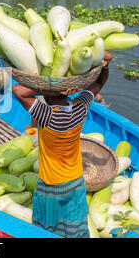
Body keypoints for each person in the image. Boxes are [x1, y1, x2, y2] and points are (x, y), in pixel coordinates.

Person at [12, 51, 112, 238]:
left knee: (45, 227)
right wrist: (106, 66)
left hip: (51, 183)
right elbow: (99, 83)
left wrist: (52, 89)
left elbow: (18, 90)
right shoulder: (79, 107)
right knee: (75, 227)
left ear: (49, 97)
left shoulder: (48, 115)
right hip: (75, 181)